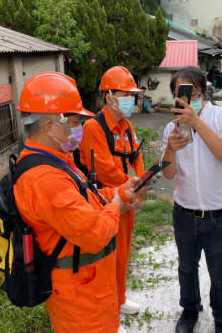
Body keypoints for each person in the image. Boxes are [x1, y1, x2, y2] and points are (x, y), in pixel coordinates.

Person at [14, 71, 145, 333]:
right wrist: (117, 204)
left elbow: (87, 200)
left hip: (92, 286)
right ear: (50, 127)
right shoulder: (45, 178)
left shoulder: (59, 160)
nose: (79, 128)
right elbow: (96, 234)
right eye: (73, 121)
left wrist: (119, 192)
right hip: (80, 296)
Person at [161, 66, 222, 333]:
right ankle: (190, 310)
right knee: (186, 267)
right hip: (185, 213)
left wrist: (197, 123)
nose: (186, 100)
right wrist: (170, 150)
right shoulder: (170, 129)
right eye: (179, 94)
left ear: (203, 93)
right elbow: (169, 174)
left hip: (220, 215)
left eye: (191, 94)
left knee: (220, 271)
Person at [79, 66, 145, 324]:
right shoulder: (94, 128)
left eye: (132, 95)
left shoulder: (126, 126)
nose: (130, 99)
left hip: (126, 202)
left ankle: (119, 300)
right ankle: (109, 316)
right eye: (124, 94)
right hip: (106, 202)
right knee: (105, 261)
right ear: (109, 97)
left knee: (122, 254)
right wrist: (135, 187)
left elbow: (136, 156)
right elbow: (105, 171)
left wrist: (139, 184)